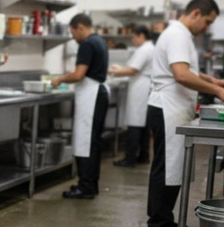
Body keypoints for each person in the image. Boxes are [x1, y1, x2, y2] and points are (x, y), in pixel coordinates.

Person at [146, 0, 224, 227]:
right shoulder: (177, 34)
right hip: (167, 107)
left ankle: (160, 219)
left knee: (169, 167)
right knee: (167, 168)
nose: (207, 28)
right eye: (207, 22)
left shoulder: (181, 34)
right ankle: (159, 224)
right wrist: (219, 91)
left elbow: (188, 70)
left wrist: (211, 80)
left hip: (171, 108)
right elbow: (181, 75)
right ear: (196, 13)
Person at [51, 13, 109, 199]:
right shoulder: (99, 41)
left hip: (91, 96)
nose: (74, 37)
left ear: (80, 27)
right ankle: (90, 185)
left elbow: (78, 75)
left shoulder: (87, 44)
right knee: (93, 142)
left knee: (86, 142)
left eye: (73, 32)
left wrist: (60, 78)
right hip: (98, 93)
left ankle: (85, 187)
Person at [110, 26, 155, 167]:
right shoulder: (150, 48)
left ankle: (129, 158)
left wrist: (114, 72)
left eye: (134, 37)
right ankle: (143, 156)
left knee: (135, 122)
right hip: (143, 85)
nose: (133, 40)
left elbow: (132, 69)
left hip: (140, 87)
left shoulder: (144, 49)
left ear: (141, 35)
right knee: (143, 124)